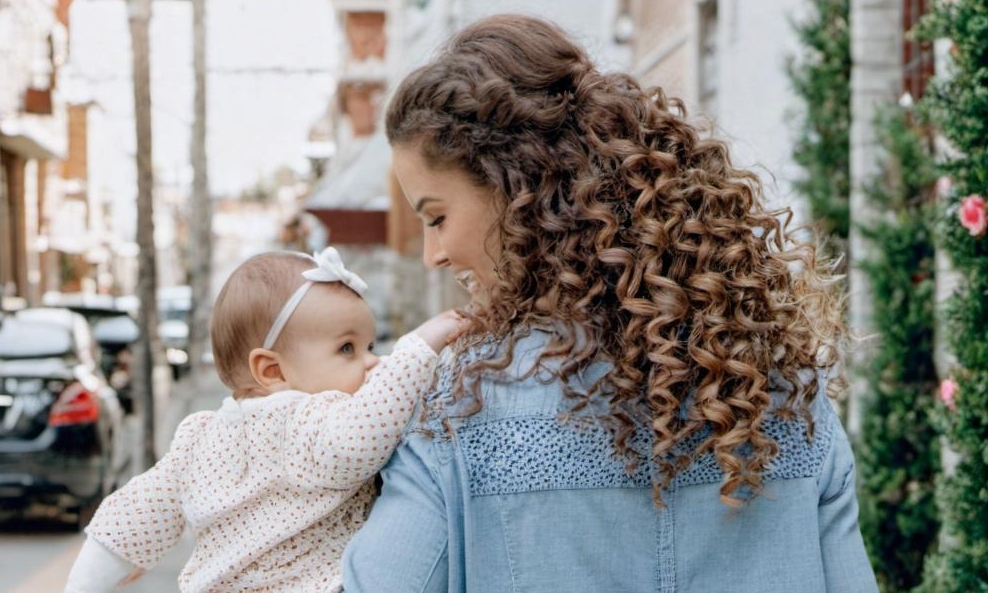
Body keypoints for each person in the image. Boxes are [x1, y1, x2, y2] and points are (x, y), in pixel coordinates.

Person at [342, 14, 879, 593]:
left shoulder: (458, 412)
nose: (433, 254)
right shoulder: (782, 393)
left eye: (437, 217)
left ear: (517, 190)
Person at [64, 247, 464, 593]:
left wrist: (88, 582)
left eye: (370, 345)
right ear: (272, 371)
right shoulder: (302, 421)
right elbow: (359, 439)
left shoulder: (199, 435)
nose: (373, 362)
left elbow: (133, 514)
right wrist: (419, 348)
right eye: (347, 348)